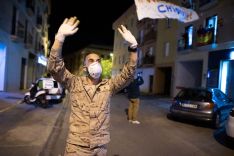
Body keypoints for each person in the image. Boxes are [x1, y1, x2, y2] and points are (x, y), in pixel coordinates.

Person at [47, 16, 138, 156]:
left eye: (98, 60)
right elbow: (55, 68)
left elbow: (128, 75)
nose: (95, 63)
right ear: (85, 67)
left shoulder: (109, 85)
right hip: (76, 147)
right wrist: (59, 39)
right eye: (91, 60)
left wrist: (133, 48)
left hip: (99, 147)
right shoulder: (74, 83)